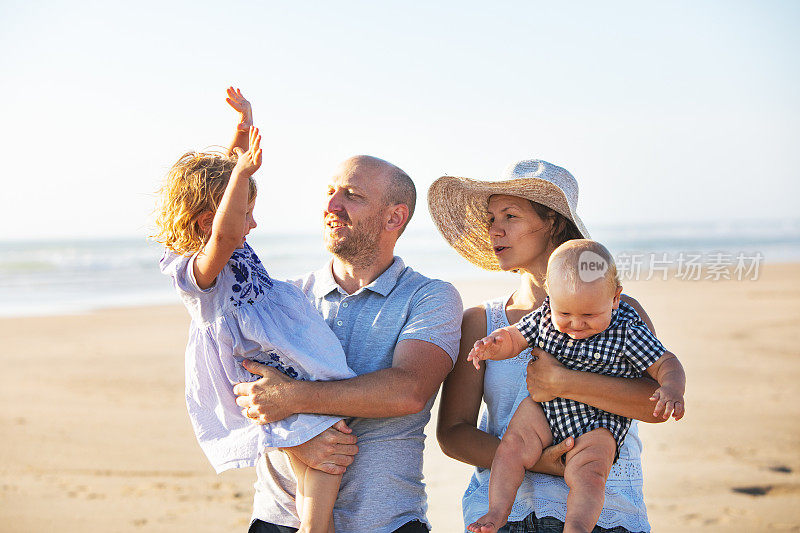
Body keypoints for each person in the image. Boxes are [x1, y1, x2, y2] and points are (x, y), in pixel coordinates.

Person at [230, 117, 463, 530]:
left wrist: (295, 398)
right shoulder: (286, 296)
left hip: (387, 523)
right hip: (276, 519)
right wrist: (298, 444)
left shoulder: (430, 297)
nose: (331, 205)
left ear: (394, 218)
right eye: (330, 192)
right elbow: (248, 392)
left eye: (351, 196)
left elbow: (408, 391)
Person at [429, 159, 682, 533]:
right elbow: (453, 433)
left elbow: (657, 405)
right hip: (503, 518)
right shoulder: (483, 322)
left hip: (605, 516)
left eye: (510, 216)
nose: (494, 230)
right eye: (491, 218)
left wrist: (561, 383)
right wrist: (540, 461)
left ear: (553, 223)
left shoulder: (619, 313)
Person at [154, 89, 358, 533]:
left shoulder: (223, 238)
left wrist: (241, 136)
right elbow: (224, 233)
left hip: (274, 350)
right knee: (317, 434)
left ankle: (311, 526)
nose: (252, 224)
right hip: (252, 361)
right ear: (210, 223)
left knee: (324, 437)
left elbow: (219, 201)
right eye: (247, 212)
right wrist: (242, 174)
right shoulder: (199, 270)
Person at [466, 239, 685, 533]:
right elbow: (515, 337)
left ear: (614, 299)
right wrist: (493, 345)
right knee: (512, 447)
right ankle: (497, 512)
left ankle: (578, 527)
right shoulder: (544, 314)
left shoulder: (627, 327)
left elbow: (665, 362)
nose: (576, 324)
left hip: (599, 420)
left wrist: (671, 387)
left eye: (589, 315)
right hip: (543, 408)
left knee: (591, 474)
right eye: (565, 314)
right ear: (551, 299)